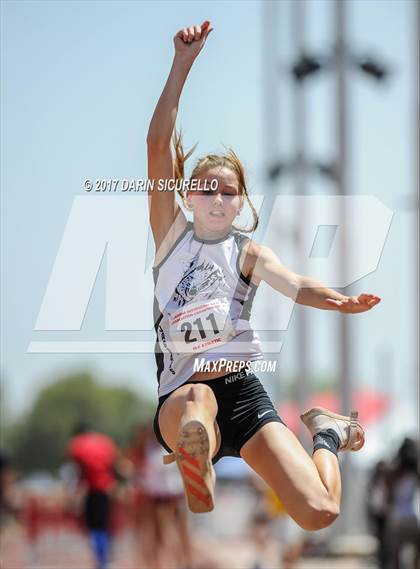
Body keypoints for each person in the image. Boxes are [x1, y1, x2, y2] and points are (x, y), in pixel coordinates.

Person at [147, 21, 381, 530]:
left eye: (227, 191)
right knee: (197, 404)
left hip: (242, 391)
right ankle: (198, 455)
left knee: (321, 511)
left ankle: (326, 435)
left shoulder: (247, 252)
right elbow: (158, 145)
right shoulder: (172, 237)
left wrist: (339, 301)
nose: (215, 197)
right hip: (184, 391)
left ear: (239, 204)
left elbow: (296, 284)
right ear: (188, 198)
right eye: (205, 189)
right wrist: (181, 65)